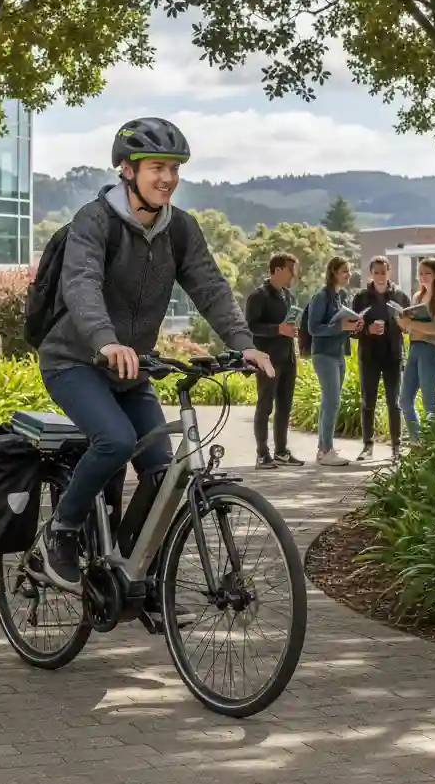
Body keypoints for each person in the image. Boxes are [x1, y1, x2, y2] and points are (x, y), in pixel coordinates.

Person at [35, 117, 274, 597]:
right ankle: (59, 534)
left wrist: (242, 342)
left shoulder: (179, 229)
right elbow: (79, 284)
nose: (166, 178)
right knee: (115, 441)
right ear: (127, 169)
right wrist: (105, 341)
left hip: (132, 369)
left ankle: (132, 574)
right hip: (75, 362)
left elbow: (209, 286)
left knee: (163, 472)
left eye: (173, 168)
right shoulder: (94, 221)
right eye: (156, 167)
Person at [245, 253, 304, 470]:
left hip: (288, 358)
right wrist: (277, 329)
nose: (293, 275)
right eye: (291, 270)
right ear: (277, 270)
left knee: (284, 407)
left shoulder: (289, 297)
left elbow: (286, 327)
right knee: (265, 406)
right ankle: (262, 454)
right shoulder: (258, 296)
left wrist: (290, 331)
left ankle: (281, 451)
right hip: (267, 360)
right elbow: (251, 327)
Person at [306, 256, 362, 466]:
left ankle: (323, 449)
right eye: (344, 271)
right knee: (332, 402)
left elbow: (341, 326)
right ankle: (326, 450)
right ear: (333, 273)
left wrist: (353, 327)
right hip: (323, 355)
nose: (348, 275)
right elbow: (314, 328)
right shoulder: (321, 297)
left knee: (329, 402)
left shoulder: (343, 296)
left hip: (338, 354)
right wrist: (341, 327)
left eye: (349, 271)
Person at [352, 256, 409, 461]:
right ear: (371, 274)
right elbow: (352, 329)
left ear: (389, 272)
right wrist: (367, 329)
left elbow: (410, 325)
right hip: (369, 356)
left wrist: (402, 324)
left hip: (393, 355)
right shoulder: (361, 298)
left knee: (394, 402)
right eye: (376, 272)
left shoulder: (400, 296)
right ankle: (367, 446)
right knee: (368, 402)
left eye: (383, 272)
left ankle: (396, 447)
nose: (379, 276)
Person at [397, 256, 435, 443]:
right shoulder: (417, 297)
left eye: (427, 273)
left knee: (429, 402)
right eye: (420, 273)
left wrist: (411, 323)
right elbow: (412, 328)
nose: (423, 277)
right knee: (405, 400)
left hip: (432, 351)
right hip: (414, 349)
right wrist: (404, 324)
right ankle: (418, 441)